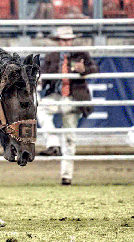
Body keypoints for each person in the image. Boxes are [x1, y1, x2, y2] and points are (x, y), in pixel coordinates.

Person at [37, 26, 99, 186]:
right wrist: (39, 81)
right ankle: (53, 143)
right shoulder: (51, 55)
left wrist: (83, 69)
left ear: (72, 40)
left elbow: (94, 68)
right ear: (58, 41)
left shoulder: (81, 54)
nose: (66, 42)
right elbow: (43, 74)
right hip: (56, 96)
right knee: (39, 108)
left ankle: (67, 176)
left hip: (73, 97)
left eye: (68, 39)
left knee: (70, 137)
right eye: (63, 40)